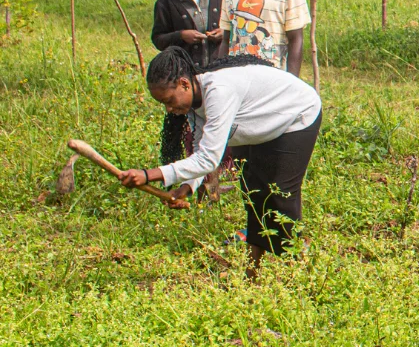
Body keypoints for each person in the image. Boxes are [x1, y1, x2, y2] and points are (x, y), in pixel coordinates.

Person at [118, 46, 323, 275]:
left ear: (185, 84)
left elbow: (207, 159)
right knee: (252, 191)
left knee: (279, 194)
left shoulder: (218, 91)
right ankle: (252, 271)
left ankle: (300, 269)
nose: (169, 108)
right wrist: (188, 187)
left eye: (169, 100)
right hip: (263, 123)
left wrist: (148, 175)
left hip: (297, 114)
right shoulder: (193, 104)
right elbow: (201, 152)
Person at [151, 0, 225, 166]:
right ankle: (196, 169)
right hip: (189, 74)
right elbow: (158, 38)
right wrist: (181, 36)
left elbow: (234, 22)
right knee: (193, 123)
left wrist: (224, 32)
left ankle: (223, 169)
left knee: (220, 120)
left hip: (219, 68)